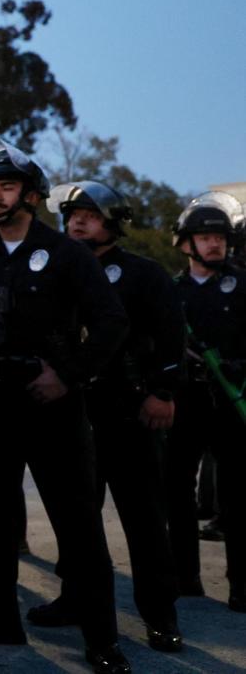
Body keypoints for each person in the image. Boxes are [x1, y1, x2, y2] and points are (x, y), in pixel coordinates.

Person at [0, 133, 131, 673]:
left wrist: (69, 374)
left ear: (31, 195)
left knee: (78, 524)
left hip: (54, 406)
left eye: (9, 187)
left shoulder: (67, 254)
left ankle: (102, 641)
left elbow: (111, 323)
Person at [23, 180, 183, 652]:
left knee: (144, 519)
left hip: (129, 414)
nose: (77, 222)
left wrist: (162, 392)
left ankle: (161, 614)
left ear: (112, 223)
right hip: (71, 415)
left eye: (89, 215)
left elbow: (171, 338)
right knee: (76, 521)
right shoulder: (54, 269)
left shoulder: (143, 274)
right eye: (73, 215)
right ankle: (76, 599)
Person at [166, 191, 246, 612]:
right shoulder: (170, 290)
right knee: (178, 490)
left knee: (238, 494)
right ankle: (185, 576)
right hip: (184, 400)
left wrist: (239, 365)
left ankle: (242, 584)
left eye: (220, 238)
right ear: (186, 243)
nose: (215, 244)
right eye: (204, 237)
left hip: (232, 402)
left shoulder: (242, 283)